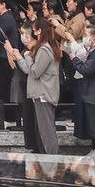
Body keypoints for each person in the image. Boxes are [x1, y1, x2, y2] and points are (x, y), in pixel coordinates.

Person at [12, 22, 60, 155]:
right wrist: (21, 58)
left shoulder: (45, 49)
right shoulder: (44, 47)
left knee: (47, 131)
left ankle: (53, 160)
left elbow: (35, 71)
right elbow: (30, 69)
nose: (32, 33)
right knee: (44, 130)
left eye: (34, 30)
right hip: (40, 93)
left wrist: (27, 56)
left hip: (44, 94)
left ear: (39, 31)